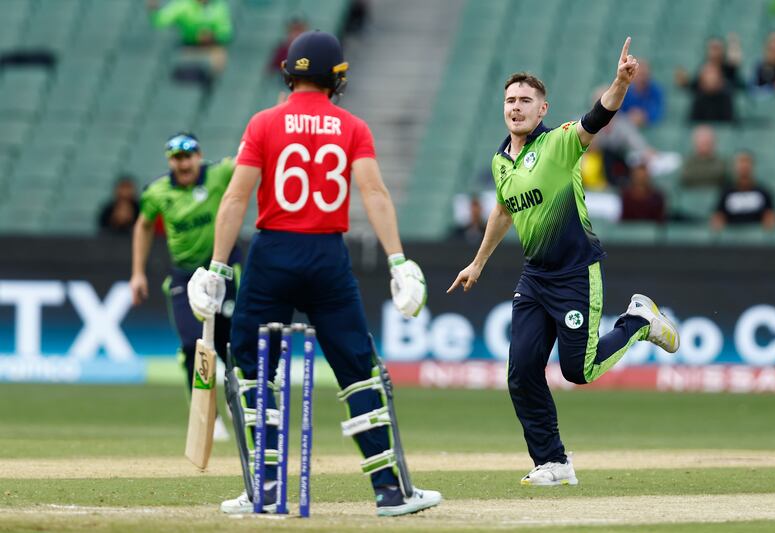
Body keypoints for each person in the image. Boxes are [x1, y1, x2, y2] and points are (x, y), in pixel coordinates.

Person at [186, 30, 441, 516]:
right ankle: (391, 492)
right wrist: (397, 260)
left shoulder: (263, 123)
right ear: (336, 79)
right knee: (358, 370)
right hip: (327, 255)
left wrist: (217, 265)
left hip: (271, 255)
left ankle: (264, 491)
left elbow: (237, 196)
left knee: (254, 371)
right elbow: (374, 193)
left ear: (289, 74)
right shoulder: (351, 127)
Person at [447, 38, 680, 487]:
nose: (516, 107)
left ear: (542, 109)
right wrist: (476, 263)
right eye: (510, 100)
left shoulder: (558, 144)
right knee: (521, 373)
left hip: (575, 273)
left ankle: (638, 322)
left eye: (525, 101)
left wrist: (619, 83)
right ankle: (553, 462)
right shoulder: (500, 160)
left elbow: (597, 117)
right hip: (535, 278)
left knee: (579, 370)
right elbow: (502, 211)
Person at [130, 132, 240, 441]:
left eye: (188, 156)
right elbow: (143, 224)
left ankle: (238, 402)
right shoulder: (157, 192)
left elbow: (249, 160)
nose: (184, 163)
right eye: (177, 158)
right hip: (184, 275)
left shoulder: (219, 174)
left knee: (230, 341)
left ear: (199, 156)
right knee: (192, 345)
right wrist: (137, 273)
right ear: (170, 161)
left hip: (224, 267)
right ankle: (208, 416)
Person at [147, 0, 233, 77]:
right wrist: (153, 8)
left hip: (211, 45)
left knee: (219, 55)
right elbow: (160, 21)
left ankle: (212, 82)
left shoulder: (218, 6)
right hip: (189, 45)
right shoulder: (182, 5)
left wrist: (212, 36)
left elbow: (225, 32)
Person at [711, 151, 775, 231]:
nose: (744, 166)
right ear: (734, 167)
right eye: (740, 163)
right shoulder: (726, 192)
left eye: (747, 162)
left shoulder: (763, 192)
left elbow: (770, 216)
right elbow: (718, 217)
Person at [619, 59, 663, 127]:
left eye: (644, 75)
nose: (641, 78)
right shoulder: (625, 91)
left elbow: (658, 111)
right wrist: (629, 116)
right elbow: (618, 111)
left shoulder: (656, 91)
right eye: (639, 75)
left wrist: (644, 116)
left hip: (649, 127)